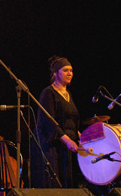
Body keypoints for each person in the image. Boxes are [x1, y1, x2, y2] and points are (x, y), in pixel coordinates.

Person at [34, 55, 82, 188]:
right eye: (65, 70)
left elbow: (70, 121)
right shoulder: (48, 93)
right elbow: (49, 122)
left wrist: (80, 136)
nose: (70, 73)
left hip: (68, 146)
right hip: (54, 147)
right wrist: (67, 141)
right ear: (55, 73)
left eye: (71, 70)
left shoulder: (68, 94)